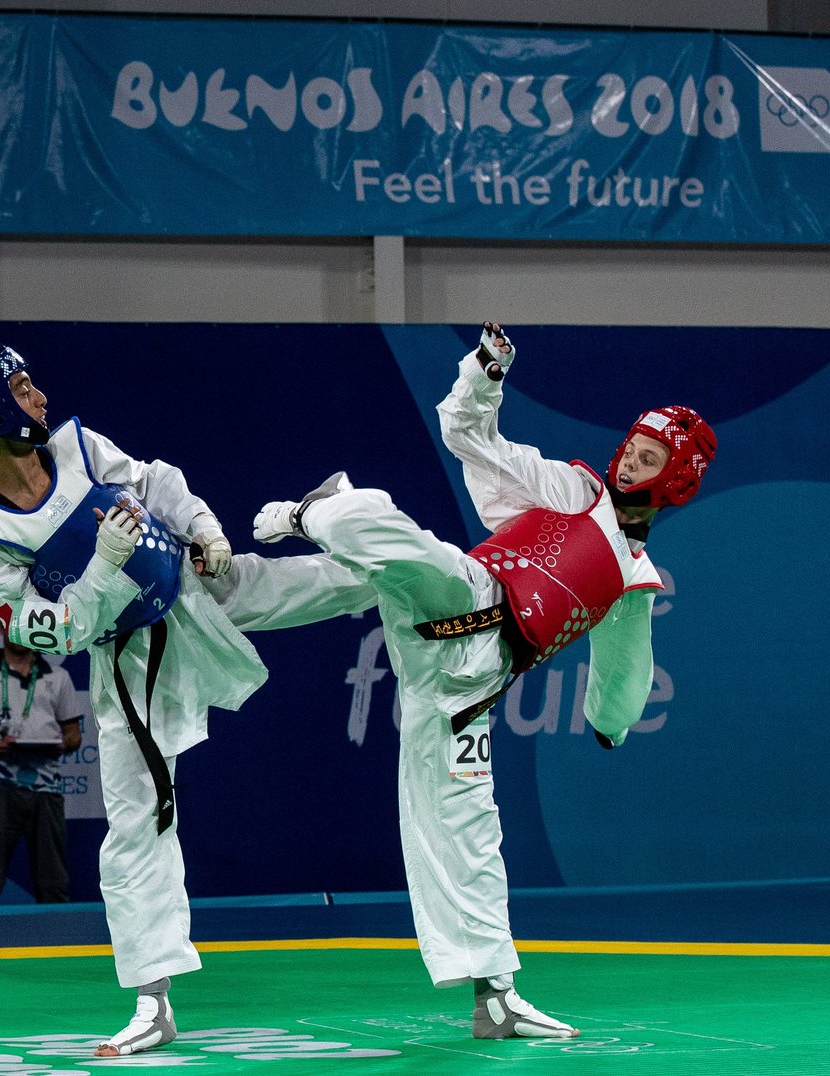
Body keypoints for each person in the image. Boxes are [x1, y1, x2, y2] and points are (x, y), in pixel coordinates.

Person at [253, 323, 717, 1040]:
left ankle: (493, 996)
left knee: (468, 828)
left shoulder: (633, 581)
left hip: (472, 685)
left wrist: (612, 724)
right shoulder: (573, 489)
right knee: (389, 534)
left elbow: (624, 672)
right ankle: (316, 511)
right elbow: (470, 435)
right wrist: (483, 373)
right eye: (631, 449)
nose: (629, 464)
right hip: (469, 598)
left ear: (676, 480)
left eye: (648, 458)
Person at [0, 337, 375, 1057]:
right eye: (20, 388)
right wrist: (103, 568)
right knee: (137, 824)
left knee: (319, 583)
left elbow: (157, 481)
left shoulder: (76, 445)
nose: (39, 397)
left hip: (192, 584)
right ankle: (152, 999)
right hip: (128, 654)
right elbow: (52, 633)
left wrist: (204, 527)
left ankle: (430, 565)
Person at [0, 632, 83, 904]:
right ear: (0, 628)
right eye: (10, 625)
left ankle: (57, 945)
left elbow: (74, 734)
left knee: (54, 885)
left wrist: (61, 744)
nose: (16, 633)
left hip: (47, 786)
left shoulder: (58, 677)